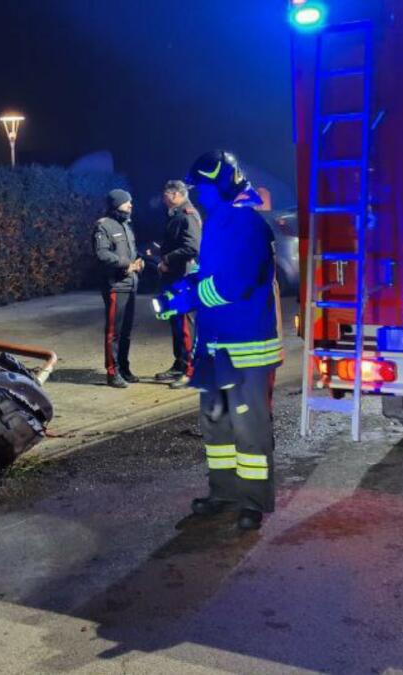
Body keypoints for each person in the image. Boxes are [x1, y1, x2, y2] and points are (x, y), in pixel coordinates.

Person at [152, 150, 282, 531]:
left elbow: (235, 283)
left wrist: (189, 298)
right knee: (217, 425)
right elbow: (212, 275)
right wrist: (180, 292)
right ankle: (223, 493)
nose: (198, 196)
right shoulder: (221, 222)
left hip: (246, 347)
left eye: (204, 189)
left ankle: (252, 502)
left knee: (249, 428)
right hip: (215, 345)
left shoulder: (246, 225)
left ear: (222, 185)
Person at [154, 179, 202, 390]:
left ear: (175, 194)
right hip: (173, 277)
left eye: (165, 194)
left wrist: (167, 260)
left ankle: (190, 371)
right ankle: (180, 363)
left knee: (184, 326)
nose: (163, 198)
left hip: (182, 279)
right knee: (175, 323)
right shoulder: (176, 215)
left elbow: (192, 248)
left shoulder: (187, 215)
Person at [93, 188, 144, 388]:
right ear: (116, 204)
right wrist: (125, 264)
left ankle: (124, 367)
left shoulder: (126, 225)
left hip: (131, 283)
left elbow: (131, 252)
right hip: (115, 285)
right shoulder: (103, 226)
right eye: (126, 202)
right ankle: (112, 372)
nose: (130, 205)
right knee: (113, 332)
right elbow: (102, 254)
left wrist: (139, 262)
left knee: (127, 331)